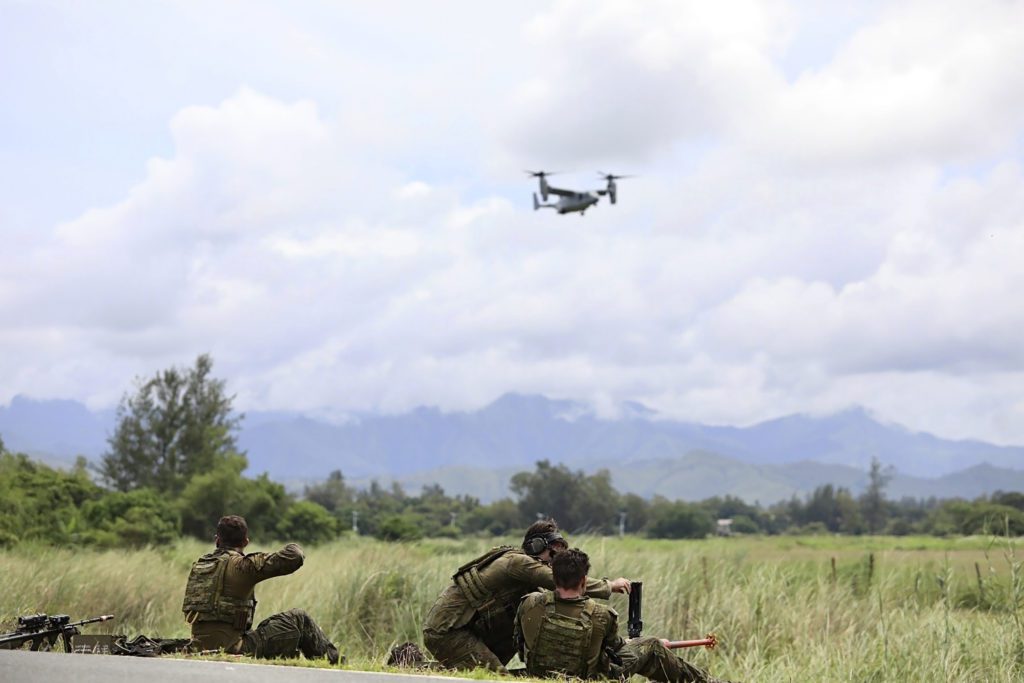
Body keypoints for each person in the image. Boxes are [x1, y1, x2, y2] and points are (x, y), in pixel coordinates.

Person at [422, 519, 631, 672]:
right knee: (495, 676)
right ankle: (416, 667)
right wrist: (609, 585)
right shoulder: (518, 563)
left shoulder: (524, 573)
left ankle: (417, 667)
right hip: (446, 630)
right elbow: (556, 580)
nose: (555, 562)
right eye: (553, 554)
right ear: (536, 546)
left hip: (465, 627)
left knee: (476, 668)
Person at [515, 548, 734, 683]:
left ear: (554, 577)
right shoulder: (601, 615)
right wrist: (643, 642)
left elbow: (521, 644)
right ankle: (707, 681)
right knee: (652, 646)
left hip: (540, 673)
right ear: (583, 581)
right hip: (589, 678)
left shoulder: (530, 603)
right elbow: (618, 652)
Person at [182, 514, 340, 664]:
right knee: (299, 618)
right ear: (245, 542)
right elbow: (295, 556)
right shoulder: (242, 567)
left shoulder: (200, 566)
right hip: (233, 649)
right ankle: (336, 664)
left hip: (198, 646)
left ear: (217, 540)